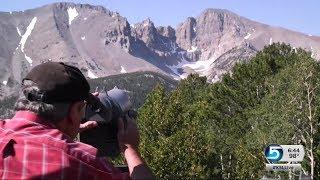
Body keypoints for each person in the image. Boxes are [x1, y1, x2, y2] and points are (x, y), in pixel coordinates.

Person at [0, 62, 154, 179]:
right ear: (73, 111)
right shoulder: (82, 161)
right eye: (82, 109)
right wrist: (130, 149)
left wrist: (65, 131)